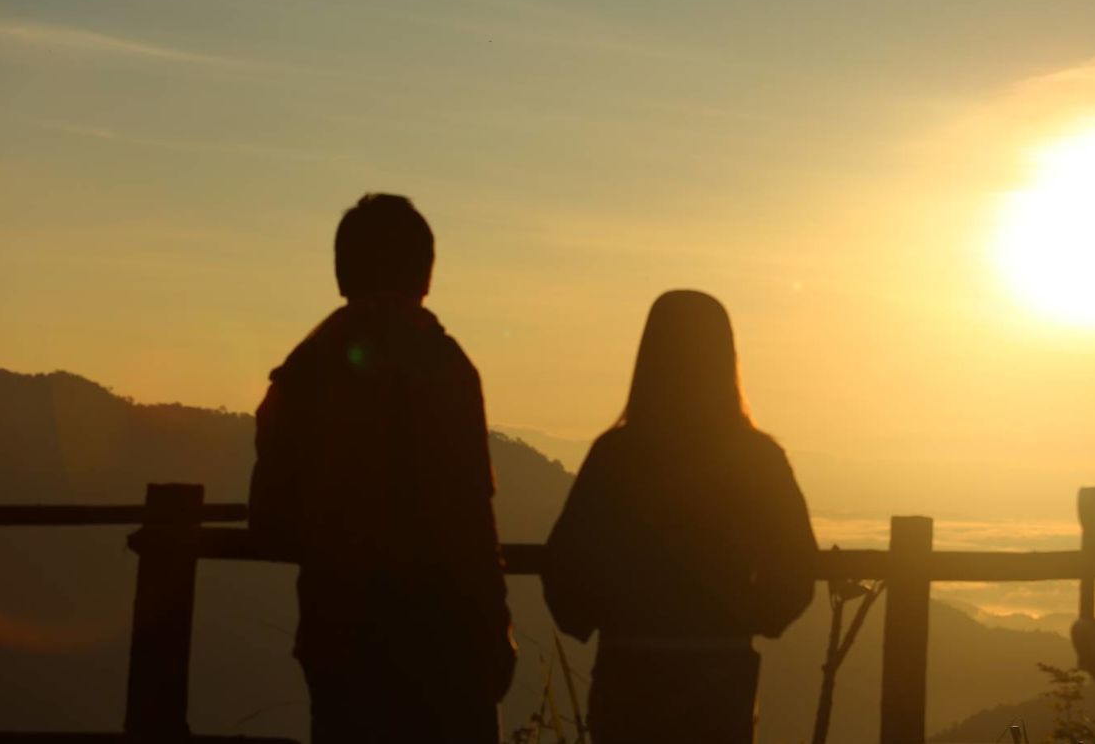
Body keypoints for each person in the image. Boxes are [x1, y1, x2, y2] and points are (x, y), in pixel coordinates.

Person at [248, 194, 515, 743]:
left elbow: (270, 515)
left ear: (342, 273)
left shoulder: (306, 368)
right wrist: (494, 631)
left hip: (340, 635)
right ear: (426, 276)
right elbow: (471, 515)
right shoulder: (446, 365)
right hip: (445, 639)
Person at [542, 289, 817, 744]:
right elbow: (797, 567)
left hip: (628, 674)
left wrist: (596, 616)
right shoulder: (757, 458)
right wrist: (749, 618)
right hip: (720, 675)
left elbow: (565, 560)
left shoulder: (616, 456)